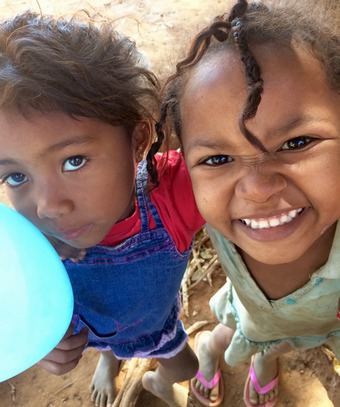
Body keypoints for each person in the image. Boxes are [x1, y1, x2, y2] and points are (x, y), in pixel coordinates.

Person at [0, 11, 205, 407]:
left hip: (156, 325)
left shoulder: (176, 194)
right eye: (15, 177)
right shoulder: (18, 243)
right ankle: (109, 361)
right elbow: (14, 309)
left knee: (186, 369)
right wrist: (42, 343)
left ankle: (157, 382)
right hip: (91, 333)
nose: (49, 207)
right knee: (107, 346)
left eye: (73, 161)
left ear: (139, 139)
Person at [150, 0, 340, 406]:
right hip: (255, 317)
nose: (257, 188)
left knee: (282, 340)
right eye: (217, 159)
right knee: (253, 337)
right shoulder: (180, 203)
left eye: (297, 142)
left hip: (329, 325)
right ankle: (216, 352)